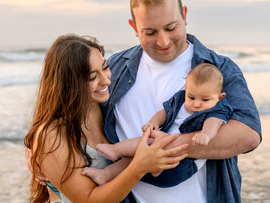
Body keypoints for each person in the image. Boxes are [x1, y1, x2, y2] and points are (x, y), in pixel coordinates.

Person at [100, 0, 262, 203]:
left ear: (184, 15)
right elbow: (74, 113)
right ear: (134, 26)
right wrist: (40, 146)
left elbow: (248, 135)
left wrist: (156, 151)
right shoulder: (115, 68)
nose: (163, 41)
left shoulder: (220, 68)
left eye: (171, 27)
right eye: (150, 32)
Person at [23, 34, 188, 203]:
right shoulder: (52, 134)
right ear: (69, 83)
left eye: (104, 67)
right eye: (92, 77)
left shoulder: (108, 111)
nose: (106, 80)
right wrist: (139, 166)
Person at [82, 63, 233, 184]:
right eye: (191, 97)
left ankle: (116, 150)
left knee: (149, 142)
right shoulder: (180, 98)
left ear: (220, 97)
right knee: (137, 156)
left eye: (205, 100)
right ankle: (106, 174)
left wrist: (205, 135)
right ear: (186, 89)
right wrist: (153, 122)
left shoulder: (217, 110)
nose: (197, 104)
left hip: (180, 166)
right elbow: (164, 112)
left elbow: (213, 124)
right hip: (160, 154)